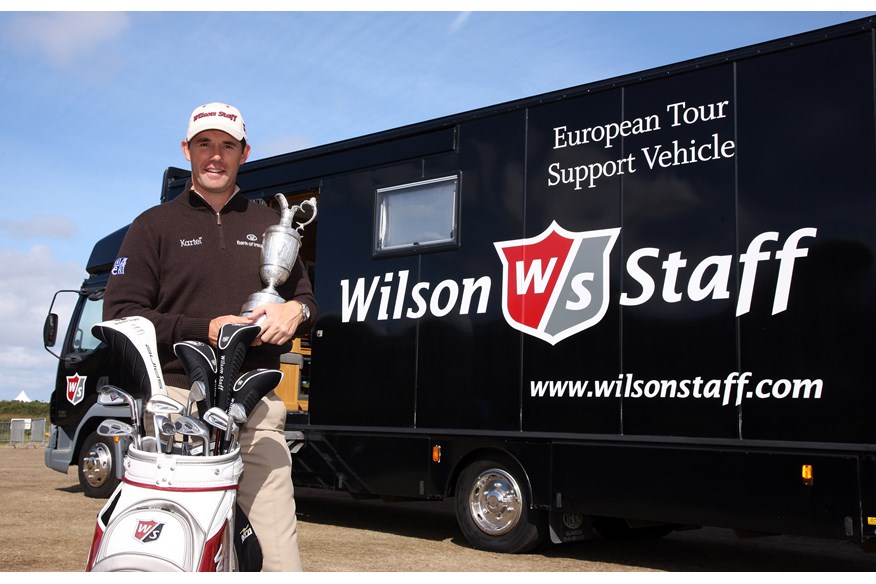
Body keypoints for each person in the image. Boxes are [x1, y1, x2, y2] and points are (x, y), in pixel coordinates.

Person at [102, 102, 315, 571]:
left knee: (281, 563)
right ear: (187, 150)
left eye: (227, 145)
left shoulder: (269, 226)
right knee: (175, 555)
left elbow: (308, 302)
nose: (215, 155)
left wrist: (293, 311)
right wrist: (207, 329)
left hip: (256, 411)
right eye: (204, 144)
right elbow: (120, 316)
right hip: (176, 408)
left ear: (244, 152)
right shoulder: (151, 227)